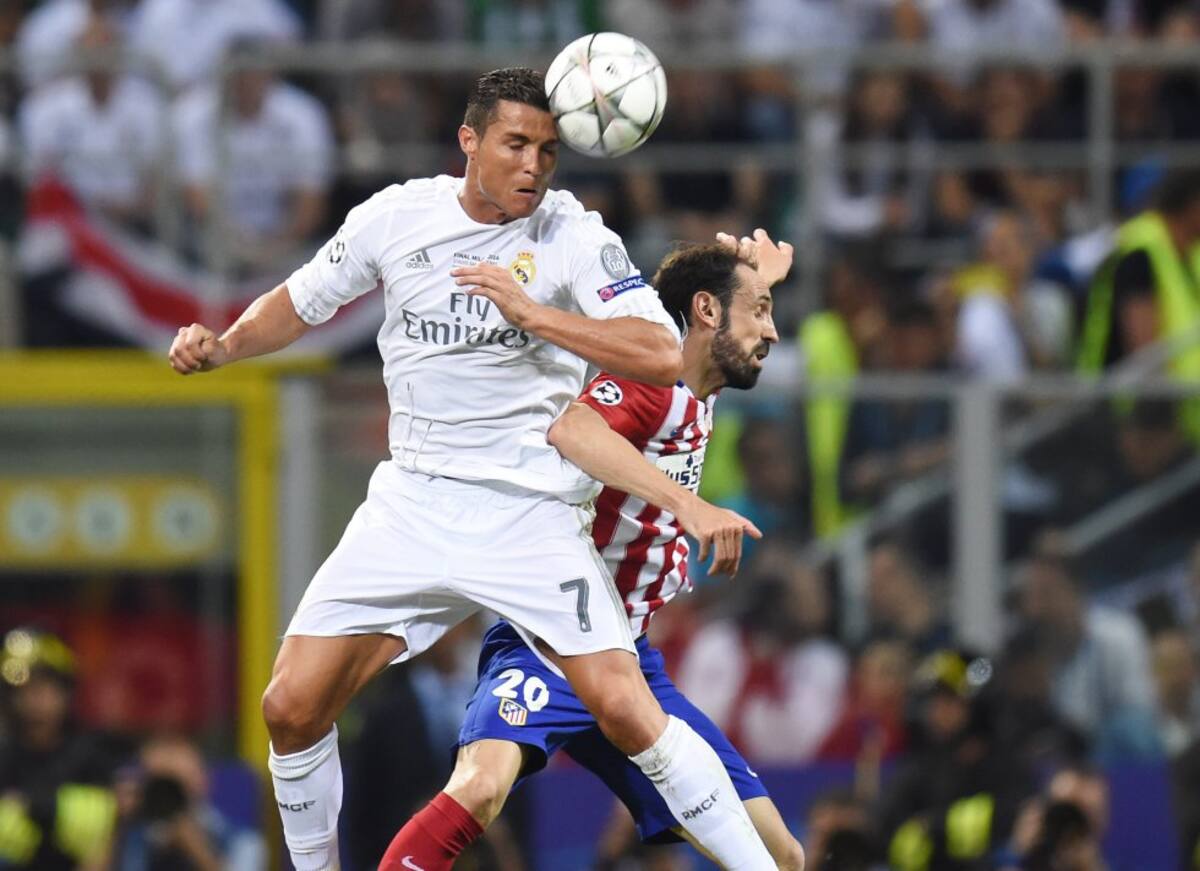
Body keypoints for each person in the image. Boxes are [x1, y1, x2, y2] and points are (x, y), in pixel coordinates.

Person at [167, 68, 776, 870]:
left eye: (549, 151)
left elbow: (660, 351)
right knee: (290, 704)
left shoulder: (574, 237)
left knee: (627, 707)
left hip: (530, 511)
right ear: (470, 141)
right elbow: (303, 298)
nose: (534, 167)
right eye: (516, 145)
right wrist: (227, 343)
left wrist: (532, 313)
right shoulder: (397, 216)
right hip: (411, 502)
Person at [380, 232, 805, 870]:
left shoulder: (697, 389)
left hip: (629, 664)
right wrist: (692, 508)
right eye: (762, 312)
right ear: (706, 313)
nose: (771, 334)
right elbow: (572, 427)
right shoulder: (648, 383)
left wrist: (756, 277)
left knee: (783, 854)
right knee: (480, 787)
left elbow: (724, 308)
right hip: (551, 644)